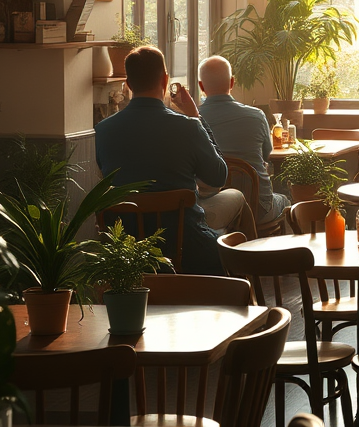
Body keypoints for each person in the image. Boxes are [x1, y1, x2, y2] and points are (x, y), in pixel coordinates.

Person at [94, 46, 247, 275]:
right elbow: (218, 176)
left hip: (126, 251)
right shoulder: (187, 127)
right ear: (165, 80)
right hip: (187, 245)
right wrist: (196, 117)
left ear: (127, 84)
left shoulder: (103, 130)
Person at [197, 55, 289, 223]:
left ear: (201, 86)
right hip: (258, 208)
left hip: (214, 211)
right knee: (285, 199)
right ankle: (269, 247)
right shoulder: (256, 116)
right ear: (232, 83)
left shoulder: (191, 120)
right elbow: (267, 154)